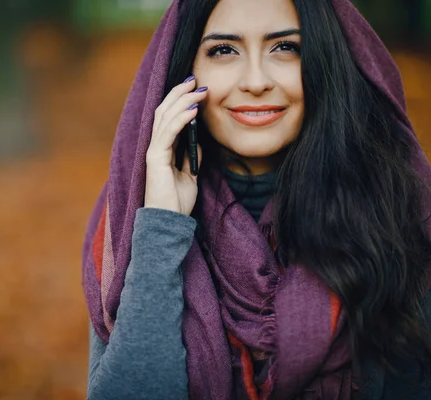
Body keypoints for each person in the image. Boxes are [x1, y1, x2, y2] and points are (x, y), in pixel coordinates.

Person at [82, 0, 431, 398]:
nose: (255, 80)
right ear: (185, 75)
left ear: (323, 61)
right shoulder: (132, 212)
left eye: (285, 47)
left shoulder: (398, 209)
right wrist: (161, 225)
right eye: (223, 50)